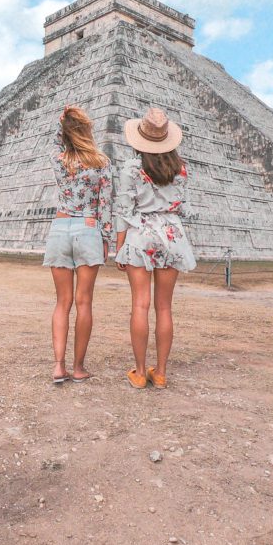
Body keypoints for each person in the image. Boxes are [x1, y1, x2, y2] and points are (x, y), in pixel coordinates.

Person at [114, 107, 196, 390]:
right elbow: (182, 206)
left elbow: (123, 210)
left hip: (140, 236)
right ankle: (160, 372)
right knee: (164, 308)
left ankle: (139, 372)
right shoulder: (181, 168)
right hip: (172, 236)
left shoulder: (131, 168)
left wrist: (119, 247)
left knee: (140, 304)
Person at [43, 105, 113, 384]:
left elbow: (53, 138)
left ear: (65, 132)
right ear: (87, 131)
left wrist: (61, 120)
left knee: (62, 302)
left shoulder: (58, 160)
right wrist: (106, 239)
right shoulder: (101, 162)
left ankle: (58, 366)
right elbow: (105, 205)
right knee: (84, 303)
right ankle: (79, 367)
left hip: (60, 228)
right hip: (88, 228)